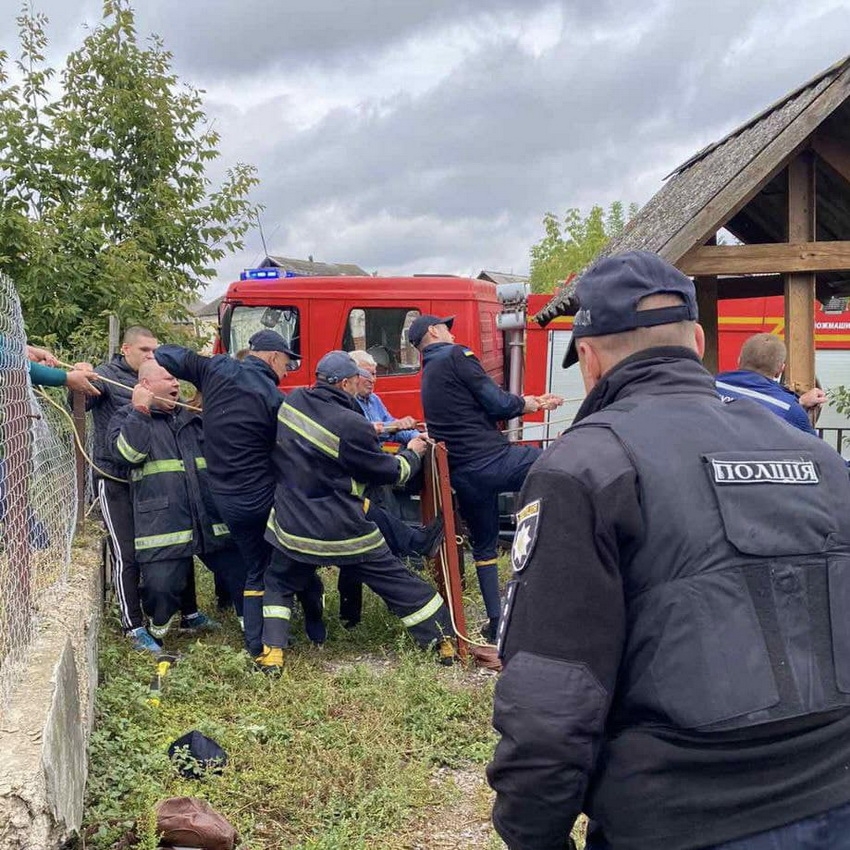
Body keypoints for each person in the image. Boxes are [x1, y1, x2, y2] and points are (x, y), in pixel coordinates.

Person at [487, 250, 850, 850]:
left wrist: (534, 836)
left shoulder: (584, 467)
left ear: (588, 358)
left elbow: (549, 703)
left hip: (684, 819)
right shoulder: (817, 457)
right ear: (699, 341)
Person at [259, 351, 456, 672]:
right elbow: (392, 473)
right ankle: (443, 641)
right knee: (400, 584)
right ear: (348, 383)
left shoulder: (293, 402)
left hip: (291, 526)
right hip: (342, 530)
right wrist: (413, 451)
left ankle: (272, 654)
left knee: (278, 584)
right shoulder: (352, 424)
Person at [154, 330, 325, 659]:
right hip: (263, 496)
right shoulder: (274, 398)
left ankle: (254, 642)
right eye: (287, 363)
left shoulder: (215, 369)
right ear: (273, 356)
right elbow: (295, 449)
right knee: (285, 561)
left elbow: (165, 355)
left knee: (254, 567)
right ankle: (308, 627)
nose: (287, 370)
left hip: (225, 499)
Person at [414, 314, 562, 641]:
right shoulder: (456, 356)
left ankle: (496, 623)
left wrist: (529, 404)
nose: (451, 332)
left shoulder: (428, 373)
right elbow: (495, 403)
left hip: (464, 474)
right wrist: (531, 402)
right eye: (446, 327)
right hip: (492, 461)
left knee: (484, 547)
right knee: (560, 464)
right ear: (433, 331)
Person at [108, 361, 222, 645]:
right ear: (145, 386)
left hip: (198, 520)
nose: (176, 384)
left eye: (176, 379)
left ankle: (191, 616)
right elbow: (129, 455)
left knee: (236, 570)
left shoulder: (190, 416)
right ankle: (148, 626)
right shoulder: (126, 416)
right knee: (161, 588)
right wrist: (141, 411)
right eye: (168, 378)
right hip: (159, 523)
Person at [337, 349, 445, 629]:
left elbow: (396, 427)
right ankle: (350, 617)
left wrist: (419, 435)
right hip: (355, 482)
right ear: (350, 376)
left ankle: (394, 603)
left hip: (377, 477)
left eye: (375, 373)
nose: (373, 379)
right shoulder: (346, 404)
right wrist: (392, 428)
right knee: (357, 548)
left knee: (382, 538)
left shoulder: (374, 400)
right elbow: (364, 430)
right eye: (368, 374)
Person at [86, 326, 160, 652]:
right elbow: (84, 398)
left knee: (151, 548)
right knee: (125, 553)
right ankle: (133, 625)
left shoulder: (153, 376)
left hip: (144, 479)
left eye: (154, 351)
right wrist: (81, 377)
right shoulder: (105, 376)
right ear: (126, 349)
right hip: (112, 477)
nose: (150, 356)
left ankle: (181, 612)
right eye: (144, 350)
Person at [715, 332, 827, 434]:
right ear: (780, 370)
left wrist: (799, 402)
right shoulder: (788, 409)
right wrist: (797, 405)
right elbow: (816, 452)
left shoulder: (708, 387)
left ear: (739, 360)